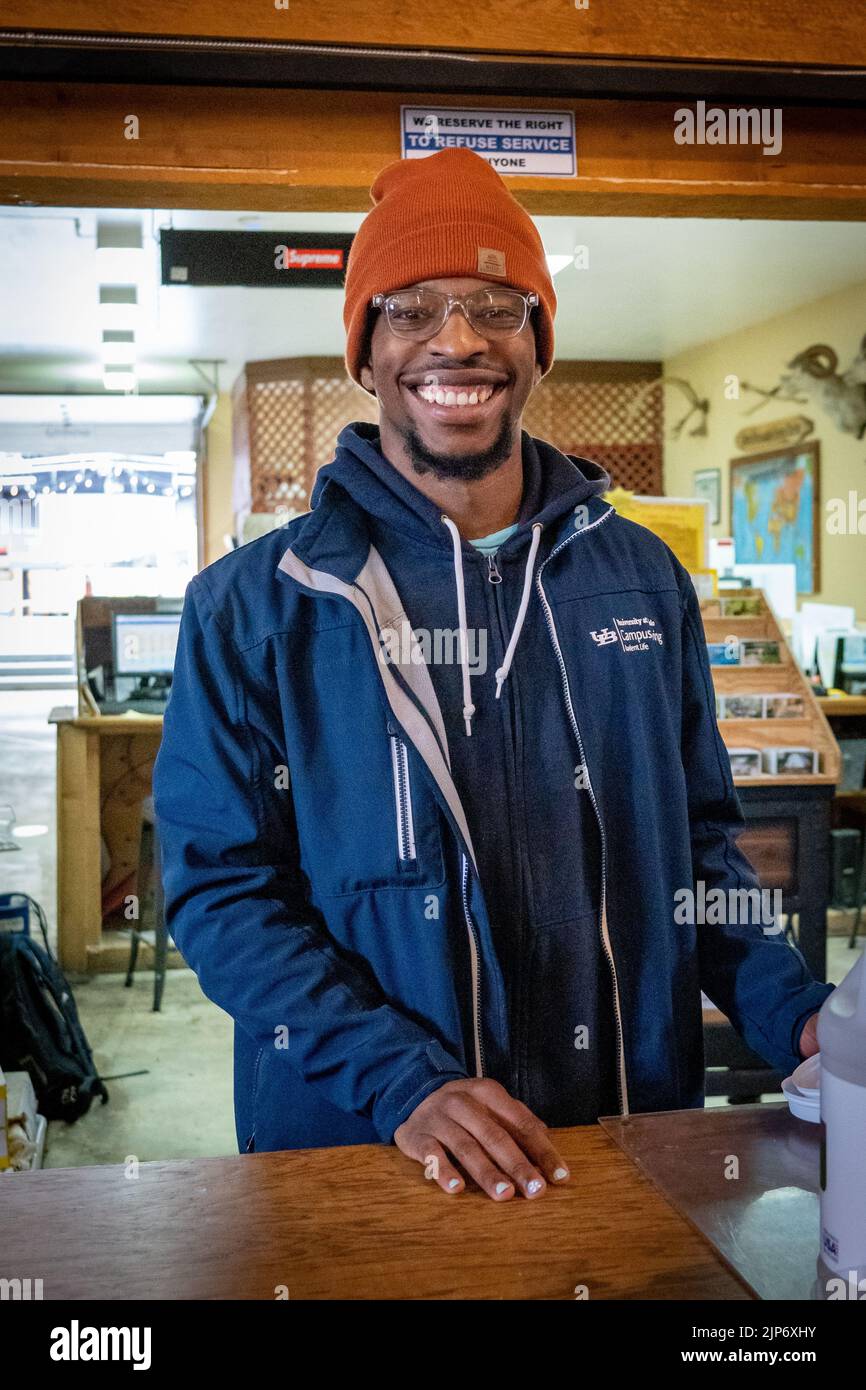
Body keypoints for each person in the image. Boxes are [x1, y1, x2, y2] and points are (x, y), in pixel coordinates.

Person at [153, 147, 830, 1202]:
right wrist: (401, 1082)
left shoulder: (640, 577)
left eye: (495, 306)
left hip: (624, 1134)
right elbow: (221, 895)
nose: (456, 339)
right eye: (411, 309)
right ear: (366, 352)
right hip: (363, 1151)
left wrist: (794, 1010)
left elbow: (697, 846)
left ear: (538, 342)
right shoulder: (256, 604)